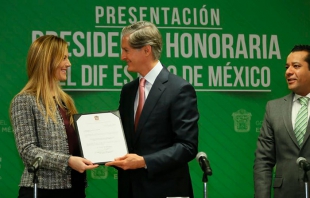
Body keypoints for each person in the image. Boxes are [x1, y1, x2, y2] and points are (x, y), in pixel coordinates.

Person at [105, 21, 199, 198]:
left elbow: (187, 147)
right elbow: (122, 137)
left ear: (146, 50)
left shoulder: (179, 89)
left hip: (165, 190)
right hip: (130, 190)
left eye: (126, 50)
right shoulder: (128, 91)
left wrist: (143, 161)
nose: (122, 56)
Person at [10, 35, 98, 198]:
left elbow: (74, 144)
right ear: (47, 60)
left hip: (75, 188)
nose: (69, 63)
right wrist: (68, 161)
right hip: (43, 190)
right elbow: (28, 151)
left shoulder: (66, 101)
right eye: (64, 58)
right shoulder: (24, 101)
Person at [254, 45, 310, 197]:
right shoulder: (274, 108)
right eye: (287, 67)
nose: (288, 72)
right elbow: (263, 161)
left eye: (296, 66)